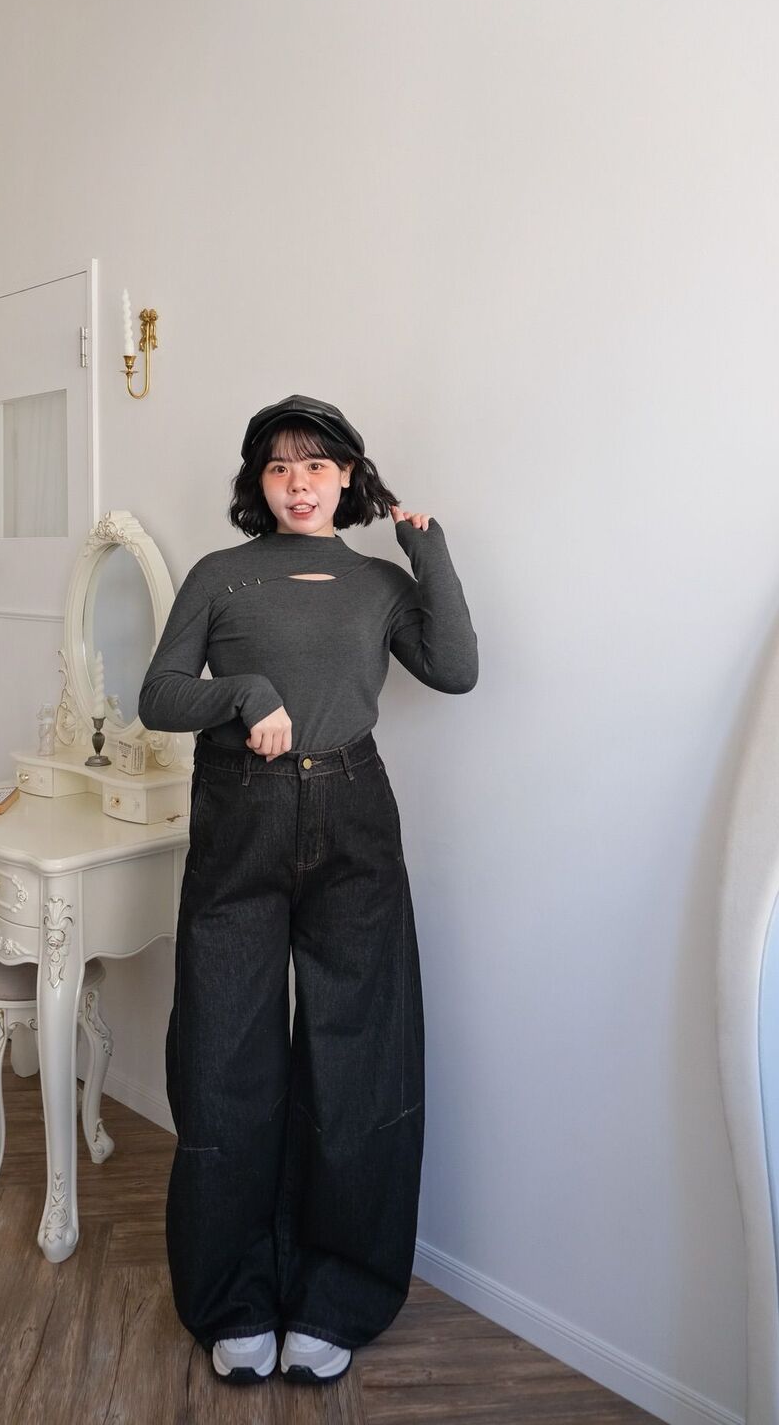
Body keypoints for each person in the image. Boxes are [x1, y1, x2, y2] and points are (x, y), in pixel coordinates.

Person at [137, 393, 478, 1386]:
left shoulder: (378, 583)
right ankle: (233, 1297)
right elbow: (159, 695)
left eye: (317, 465)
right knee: (223, 1059)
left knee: (358, 1059)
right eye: (279, 466)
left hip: (353, 814)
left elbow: (455, 670)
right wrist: (245, 695)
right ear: (258, 482)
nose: (298, 483)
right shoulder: (220, 575)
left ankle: (338, 1296)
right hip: (240, 816)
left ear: (347, 479)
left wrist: (430, 554)